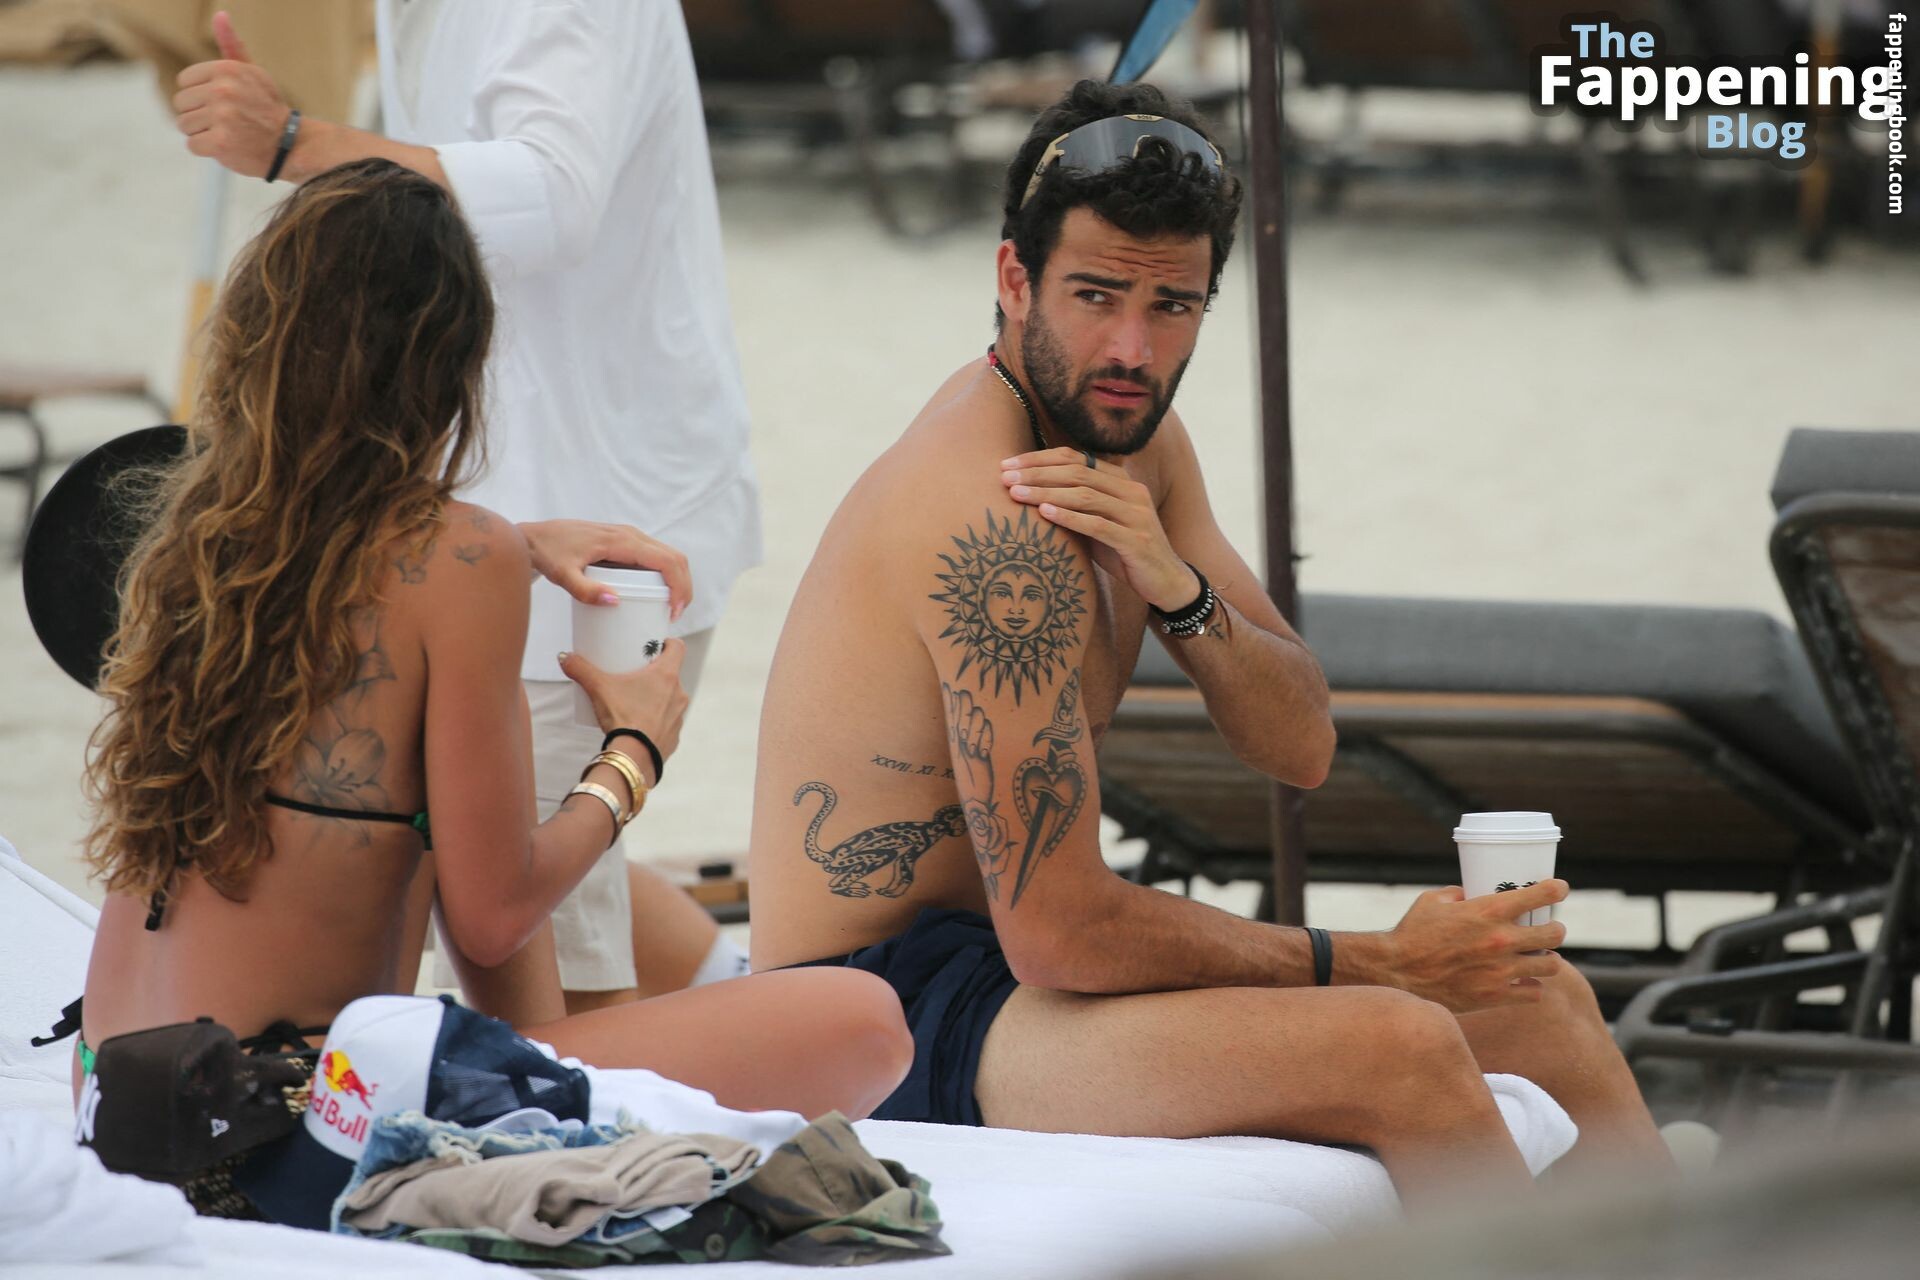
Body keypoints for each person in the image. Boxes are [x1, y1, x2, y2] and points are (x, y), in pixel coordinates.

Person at [746, 80, 1673, 1209]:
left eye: (1173, 305)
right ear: (1014, 281)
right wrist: (1375, 960)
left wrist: (1179, 592)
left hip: (1013, 979)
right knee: (1399, 1044)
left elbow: (1300, 745)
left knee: (1537, 999)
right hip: (875, 1012)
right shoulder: (988, 523)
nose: (1132, 348)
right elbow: (1062, 933)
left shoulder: (1137, 440)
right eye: (1095, 296)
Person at [70, 162, 909, 1200]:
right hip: (281, 1131)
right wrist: (633, 754)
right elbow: (494, 914)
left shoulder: (196, 531)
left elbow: (363, 585)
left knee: (436, 815)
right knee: (866, 1021)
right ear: (452, 366)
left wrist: (507, 547)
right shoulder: (458, 560)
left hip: (119, 1104)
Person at [170, 4, 761, 1013]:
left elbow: (554, 196)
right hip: (497, 516)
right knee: (493, 868)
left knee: (537, 973)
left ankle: (733, 997)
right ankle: (730, 981)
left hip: (589, 527)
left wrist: (298, 145)